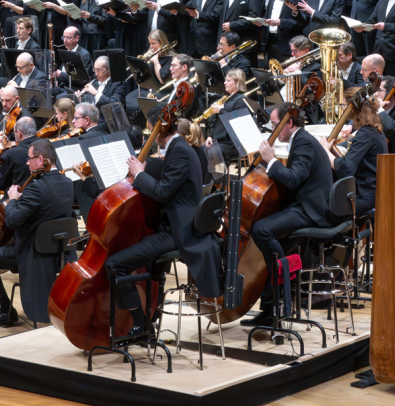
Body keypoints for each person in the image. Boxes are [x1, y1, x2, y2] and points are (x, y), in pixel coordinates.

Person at [106, 105, 220, 337]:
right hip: (180, 227)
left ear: (159, 129)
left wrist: (139, 173)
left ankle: (141, 326)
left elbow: (162, 192)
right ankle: (151, 317)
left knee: (114, 264)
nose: (150, 136)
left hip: (179, 233)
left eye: (150, 130)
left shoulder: (177, 149)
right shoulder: (182, 147)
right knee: (146, 263)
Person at [244, 102, 335, 327]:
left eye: (275, 125)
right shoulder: (300, 140)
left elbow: (295, 178)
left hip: (311, 210)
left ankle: (281, 294)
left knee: (261, 229)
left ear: (289, 123)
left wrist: (271, 160)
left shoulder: (303, 141)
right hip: (305, 204)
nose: (273, 130)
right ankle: (269, 306)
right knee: (272, 243)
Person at [0, 138, 74, 327]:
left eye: (29, 159)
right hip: (59, 250)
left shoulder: (36, 188)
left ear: (41, 159)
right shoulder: (67, 182)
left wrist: (12, 199)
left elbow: (12, 220)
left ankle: (5, 310)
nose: (27, 162)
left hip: (33, 251)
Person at [322, 87, 387, 215]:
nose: (342, 108)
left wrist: (325, 150)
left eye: (343, 105)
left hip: (365, 197)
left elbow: (346, 170)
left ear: (353, 108)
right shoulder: (373, 130)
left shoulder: (366, 133)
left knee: (319, 208)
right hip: (369, 193)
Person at [203, 69, 252, 162]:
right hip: (219, 140)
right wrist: (210, 136)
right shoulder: (226, 99)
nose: (225, 83)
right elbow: (216, 121)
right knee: (199, 150)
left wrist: (220, 110)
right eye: (225, 80)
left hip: (231, 143)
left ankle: (214, 176)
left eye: (228, 81)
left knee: (205, 154)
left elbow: (235, 122)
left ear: (237, 82)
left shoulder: (242, 100)